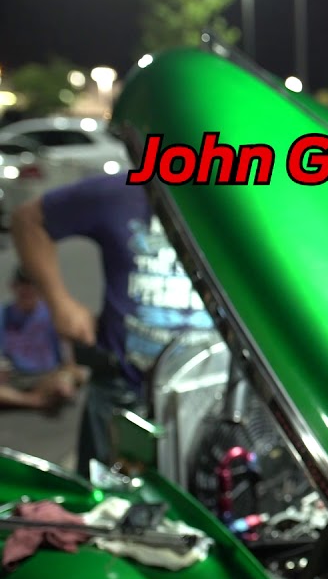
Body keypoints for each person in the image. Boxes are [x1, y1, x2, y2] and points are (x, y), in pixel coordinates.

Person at [10, 173, 214, 477]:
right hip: (122, 390)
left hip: (212, 391)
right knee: (105, 498)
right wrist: (60, 302)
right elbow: (28, 221)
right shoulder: (121, 192)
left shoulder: (242, 204)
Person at [0, 266, 84, 410]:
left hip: (48, 374)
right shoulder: (3, 314)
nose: (27, 290)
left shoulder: (53, 314)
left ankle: (46, 395)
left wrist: (69, 372)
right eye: (23, 286)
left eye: (32, 286)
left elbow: (68, 360)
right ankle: (34, 401)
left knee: (66, 381)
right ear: (13, 286)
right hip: (15, 376)